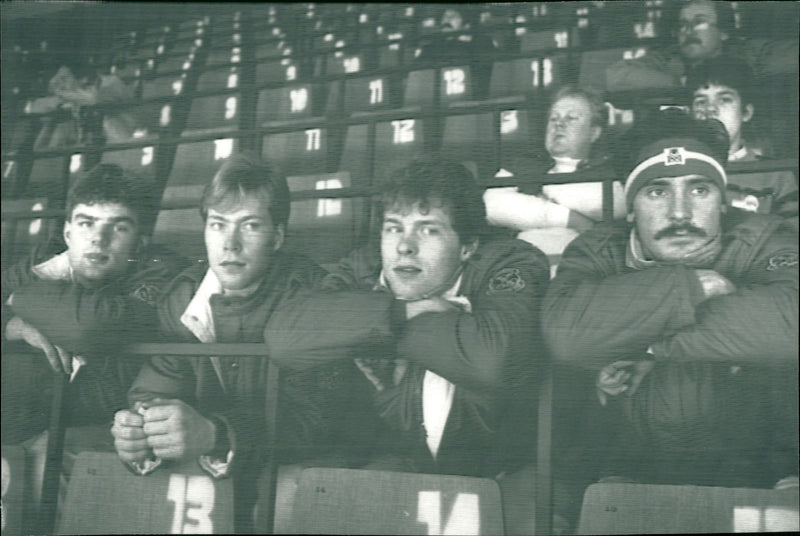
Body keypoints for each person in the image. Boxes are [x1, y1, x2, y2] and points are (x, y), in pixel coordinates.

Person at [111, 152, 370, 532]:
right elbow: (154, 388)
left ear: (277, 236)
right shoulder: (182, 296)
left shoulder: (313, 295)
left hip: (311, 462)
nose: (229, 244)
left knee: (285, 490)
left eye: (249, 226)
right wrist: (141, 429)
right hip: (227, 462)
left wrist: (217, 435)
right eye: (218, 225)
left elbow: (318, 424)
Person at [542, 110, 798, 488]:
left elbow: (791, 327)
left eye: (699, 190)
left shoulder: (763, 238)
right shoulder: (596, 250)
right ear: (631, 207)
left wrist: (640, 343)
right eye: (657, 191)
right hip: (635, 467)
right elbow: (567, 338)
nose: (680, 213)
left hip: (757, 468)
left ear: (723, 202)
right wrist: (691, 288)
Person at [265, 158, 550, 478]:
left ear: (467, 247)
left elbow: (493, 357)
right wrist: (404, 312)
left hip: (500, 473)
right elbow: (285, 337)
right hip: (394, 464)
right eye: (394, 227)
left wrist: (366, 328)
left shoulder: (508, 261)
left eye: (428, 230)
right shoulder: (365, 266)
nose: (404, 247)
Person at [1, 163, 187, 522]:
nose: (97, 240)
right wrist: (16, 326)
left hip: (108, 426)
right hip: (32, 416)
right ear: (68, 231)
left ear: (140, 242)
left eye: (117, 228)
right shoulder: (45, 256)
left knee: (46, 458)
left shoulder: (162, 267)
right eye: (86, 223)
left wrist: (17, 300)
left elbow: (94, 326)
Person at [484, 86, 626, 272]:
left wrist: (536, 197)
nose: (559, 124)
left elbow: (608, 204)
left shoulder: (609, 169)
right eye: (554, 118)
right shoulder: (525, 163)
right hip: (521, 267)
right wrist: (570, 218)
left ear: (594, 133)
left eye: (571, 118)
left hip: (580, 271)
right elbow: (491, 204)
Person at [687, 56, 798, 224]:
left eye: (724, 100)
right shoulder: (676, 167)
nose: (710, 109)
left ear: (746, 112)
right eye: (701, 101)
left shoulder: (775, 174)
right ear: (691, 113)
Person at [605, 0, 798, 92]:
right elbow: (615, 75)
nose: (688, 31)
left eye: (699, 22)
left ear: (724, 32)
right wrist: (685, 82)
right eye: (682, 24)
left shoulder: (751, 53)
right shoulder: (668, 58)